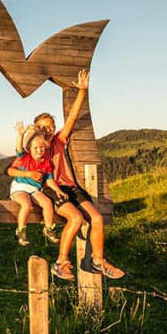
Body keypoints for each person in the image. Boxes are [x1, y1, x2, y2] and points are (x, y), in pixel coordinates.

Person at [35, 69, 126, 280]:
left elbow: (74, 116)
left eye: (50, 126)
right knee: (75, 218)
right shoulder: (35, 148)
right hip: (51, 188)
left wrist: (82, 92)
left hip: (72, 187)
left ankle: (97, 261)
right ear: (36, 129)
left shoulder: (58, 140)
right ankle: (61, 263)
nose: (47, 129)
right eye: (42, 127)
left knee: (96, 218)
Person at [6, 123, 68, 246]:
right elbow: (18, 149)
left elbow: (49, 179)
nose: (39, 150)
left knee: (47, 203)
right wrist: (21, 135)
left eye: (41, 147)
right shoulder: (25, 157)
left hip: (35, 189)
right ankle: (21, 230)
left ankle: (49, 228)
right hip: (20, 188)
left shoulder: (46, 163)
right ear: (29, 148)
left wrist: (58, 190)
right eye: (35, 148)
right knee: (26, 204)